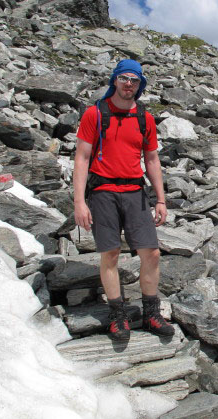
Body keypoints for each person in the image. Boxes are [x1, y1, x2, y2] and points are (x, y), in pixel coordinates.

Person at [73, 59, 174, 340]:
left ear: (140, 85)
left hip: (134, 191)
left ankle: (151, 313)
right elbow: (81, 157)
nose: (129, 84)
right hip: (102, 191)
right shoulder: (95, 114)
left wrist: (161, 200)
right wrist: (79, 202)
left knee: (151, 253)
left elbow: (152, 160)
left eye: (135, 80)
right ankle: (118, 315)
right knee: (111, 253)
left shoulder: (145, 118)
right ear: (115, 80)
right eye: (124, 78)